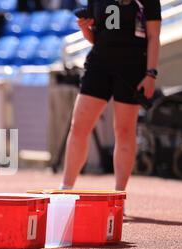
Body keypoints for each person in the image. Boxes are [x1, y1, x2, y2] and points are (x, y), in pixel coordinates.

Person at [60, 0, 161, 191]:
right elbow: (97, 37)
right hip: (99, 65)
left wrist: (151, 74)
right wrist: (84, 29)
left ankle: (119, 194)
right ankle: (66, 189)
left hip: (132, 68)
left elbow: (153, 36)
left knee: (124, 130)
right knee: (79, 125)